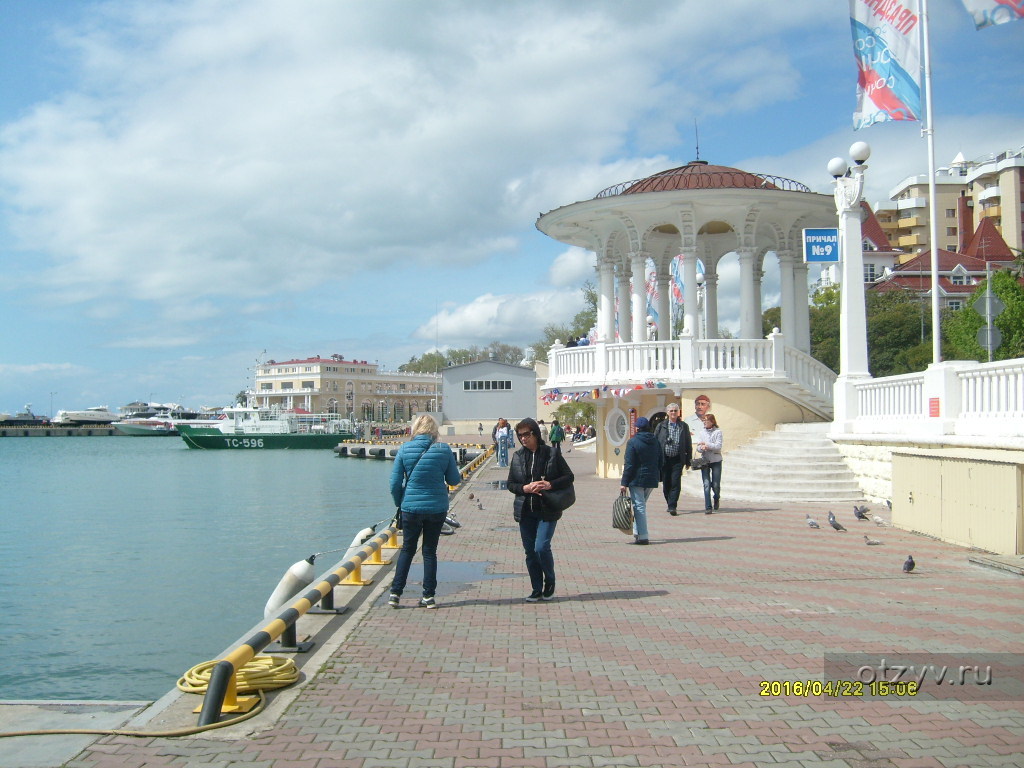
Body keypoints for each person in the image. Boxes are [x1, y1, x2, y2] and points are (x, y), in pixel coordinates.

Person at [388, 415, 462, 609]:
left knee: (407, 550)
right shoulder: (443, 450)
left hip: (410, 508)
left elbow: (395, 483)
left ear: (415, 429)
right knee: (429, 552)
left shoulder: (404, 449)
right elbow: (454, 480)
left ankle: (395, 593)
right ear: (434, 430)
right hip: (436, 508)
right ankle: (428, 596)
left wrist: (400, 503)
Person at [507, 418, 574, 602]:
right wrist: (524, 489)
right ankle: (536, 588)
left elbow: (569, 477)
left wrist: (549, 484)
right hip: (525, 511)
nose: (523, 439)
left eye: (526, 435)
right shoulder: (518, 456)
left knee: (541, 547)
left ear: (535, 433)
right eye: (520, 435)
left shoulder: (551, 454)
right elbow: (511, 484)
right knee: (530, 552)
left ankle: (549, 582)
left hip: (547, 509)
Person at [620, 417, 663, 545]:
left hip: (636, 479)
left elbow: (629, 464)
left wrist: (624, 483)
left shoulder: (632, 442)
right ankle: (637, 532)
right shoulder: (655, 441)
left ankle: (643, 536)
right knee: (641, 505)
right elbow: (661, 461)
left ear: (637, 428)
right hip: (651, 478)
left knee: (639, 506)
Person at [654, 403, 692, 516]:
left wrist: (688, 460)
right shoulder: (661, 426)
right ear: (667, 413)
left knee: (676, 482)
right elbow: (655, 442)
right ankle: (669, 502)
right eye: (671, 411)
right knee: (666, 483)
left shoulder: (683, 426)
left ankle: (672, 506)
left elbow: (688, 443)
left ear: (678, 412)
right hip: (665, 459)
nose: (673, 413)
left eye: (675, 411)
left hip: (677, 459)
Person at [694, 412, 723, 513]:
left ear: (712, 421)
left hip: (716, 460)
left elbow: (718, 446)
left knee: (715, 484)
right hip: (705, 461)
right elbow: (698, 447)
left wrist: (707, 445)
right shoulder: (702, 432)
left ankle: (716, 497)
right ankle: (708, 507)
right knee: (706, 484)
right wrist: (701, 448)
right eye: (703, 421)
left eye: (706, 421)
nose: (704, 422)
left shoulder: (718, 432)